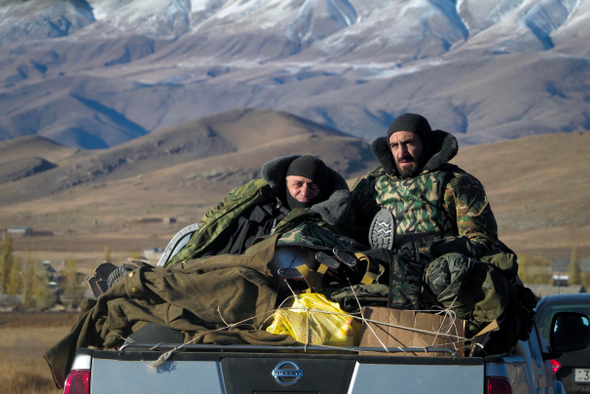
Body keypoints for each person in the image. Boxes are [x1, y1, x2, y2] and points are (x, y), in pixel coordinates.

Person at [351, 112, 509, 258]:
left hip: (439, 276)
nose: (401, 153)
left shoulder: (456, 183)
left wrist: (433, 250)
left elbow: (484, 243)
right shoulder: (369, 185)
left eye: (409, 143)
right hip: (379, 274)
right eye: (395, 146)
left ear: (426, 145)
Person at [165, 154, 353, 266]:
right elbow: (212, 223)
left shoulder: (321, 225)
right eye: (298, 184)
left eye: (313, 186)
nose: (304, 192)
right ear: (286, 181)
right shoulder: (251, 203)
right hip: (208, 266)